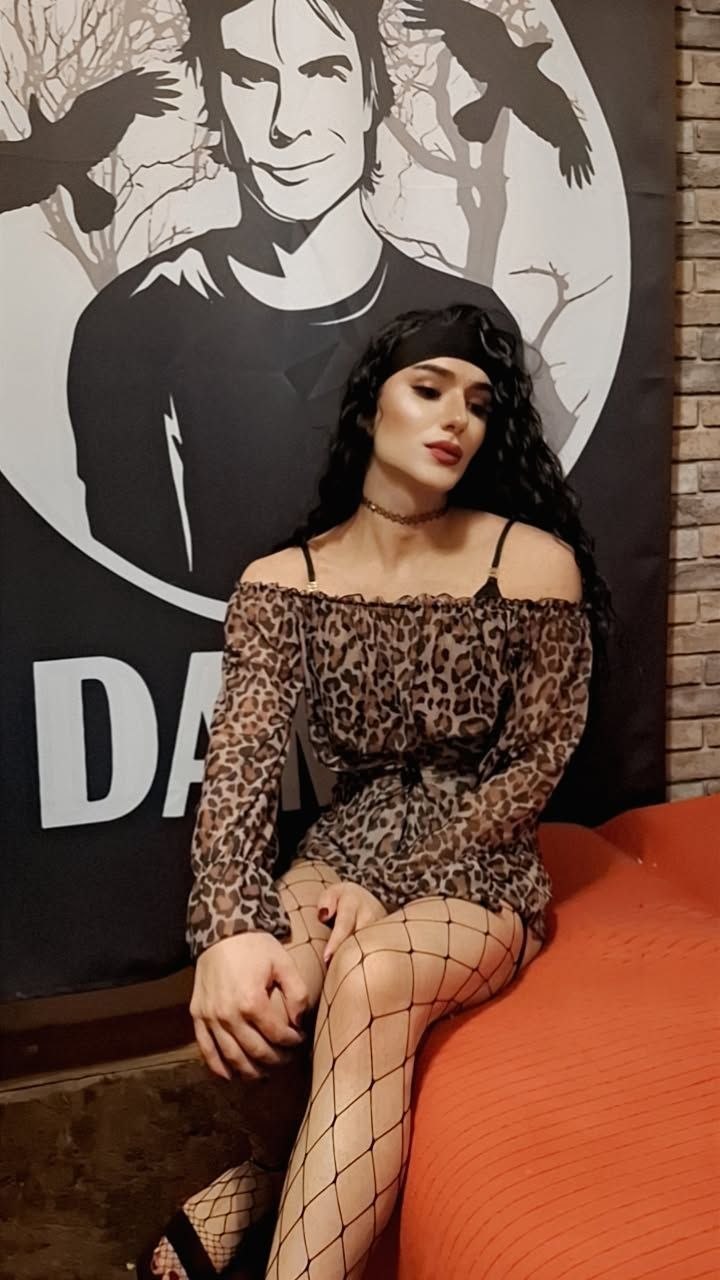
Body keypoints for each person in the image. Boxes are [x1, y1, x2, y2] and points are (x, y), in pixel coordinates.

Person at [137, 302, 612, 1279]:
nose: (457, 419)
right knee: (267, 988)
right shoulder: (284, 580)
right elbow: (240, 765)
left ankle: (268, 1222)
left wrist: (390, 884)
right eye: (429, 389)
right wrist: (225, 929)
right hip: (341, 849)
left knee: (371, 972)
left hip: (478, 860)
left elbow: (533, 767)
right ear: (369, 408)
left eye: (479, 403)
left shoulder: (530, 562)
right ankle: (273, 1177)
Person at [67, 0, 520, 600]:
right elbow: (144, 594)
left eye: (324, 71)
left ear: (371, 95)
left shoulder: (465, 325)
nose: (287, 123)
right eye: (250, 77)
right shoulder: (133, 322)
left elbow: (490, 558)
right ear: (213, 99)